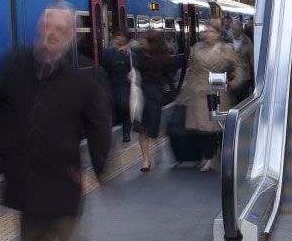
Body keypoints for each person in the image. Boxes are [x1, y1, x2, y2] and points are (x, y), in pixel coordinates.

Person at [0, 3, 112, 241]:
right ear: (38, 29)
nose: (51, 33)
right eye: (46, 26)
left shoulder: (83, 80)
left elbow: (100, 127)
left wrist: (101, 170)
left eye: (59, 29)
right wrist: (3, 160)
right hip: (27, 188)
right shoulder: (13, 67)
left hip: (64, 186)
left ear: (71, 38)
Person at [176, 25, 240, 172]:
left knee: (218, 126)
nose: (207, 34)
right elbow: (190, 70)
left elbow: (237, 67)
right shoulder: (197, 48)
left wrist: (235, 81)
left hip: (218, 91)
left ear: (218, 34)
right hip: (198, 92)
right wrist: (184, 91)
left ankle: (222, 154)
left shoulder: (226, 49)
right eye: (206, 31)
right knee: (204, 129)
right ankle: (209, 158)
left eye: (211, 31)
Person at [131, 31, 175, 172]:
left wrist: (173, 95)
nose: (141, 41)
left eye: (144, 39)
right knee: (142, 127)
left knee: (153, 127)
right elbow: (134, 70)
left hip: (155, 94)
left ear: (152, 42)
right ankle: (145, 160)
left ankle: (156, 148)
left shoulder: (165, 58)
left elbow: (169, 77)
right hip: (140, 94)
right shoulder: (137, 54)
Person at [101, 31, 133, 143]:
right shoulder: (126, 53)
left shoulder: (128, 53)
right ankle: (124, 133)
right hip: (116, 86)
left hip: (122, 86)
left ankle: (125, 134)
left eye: (121, 36)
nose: (119, 38)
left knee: (123, 111)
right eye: (118, 36)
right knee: (124, 111)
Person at [229, 19, 254, 104]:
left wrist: (254, 77)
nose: (235, 32)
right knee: (232, 101)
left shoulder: (247, 41)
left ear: (241, 30)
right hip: (231, 77)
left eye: (237, 30)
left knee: (243, 101)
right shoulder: (227, 40)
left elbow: (252, 59)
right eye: (234, 30)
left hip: (244, 77)